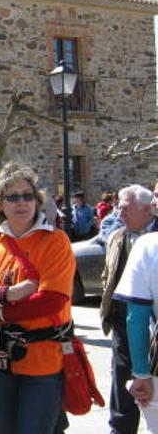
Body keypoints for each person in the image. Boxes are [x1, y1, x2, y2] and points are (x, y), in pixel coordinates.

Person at [0, 163, 75, 434]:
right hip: (2, 363)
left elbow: (51, 300)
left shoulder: (55, 241)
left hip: (43, 364)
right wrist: (6, 294)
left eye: (27, 195)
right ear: (0, 204)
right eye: (12, 196)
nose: (21, 202)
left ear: (37, 200)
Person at [99, 185, 158, 434]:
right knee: (121, 392)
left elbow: (139, 316)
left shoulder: (149, 244)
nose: (118, 213)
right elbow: (108, 276)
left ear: (147, 209)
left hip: (148, 331)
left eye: (124, 208)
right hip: (123, 325)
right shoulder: (117, 237)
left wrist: (142, 372)